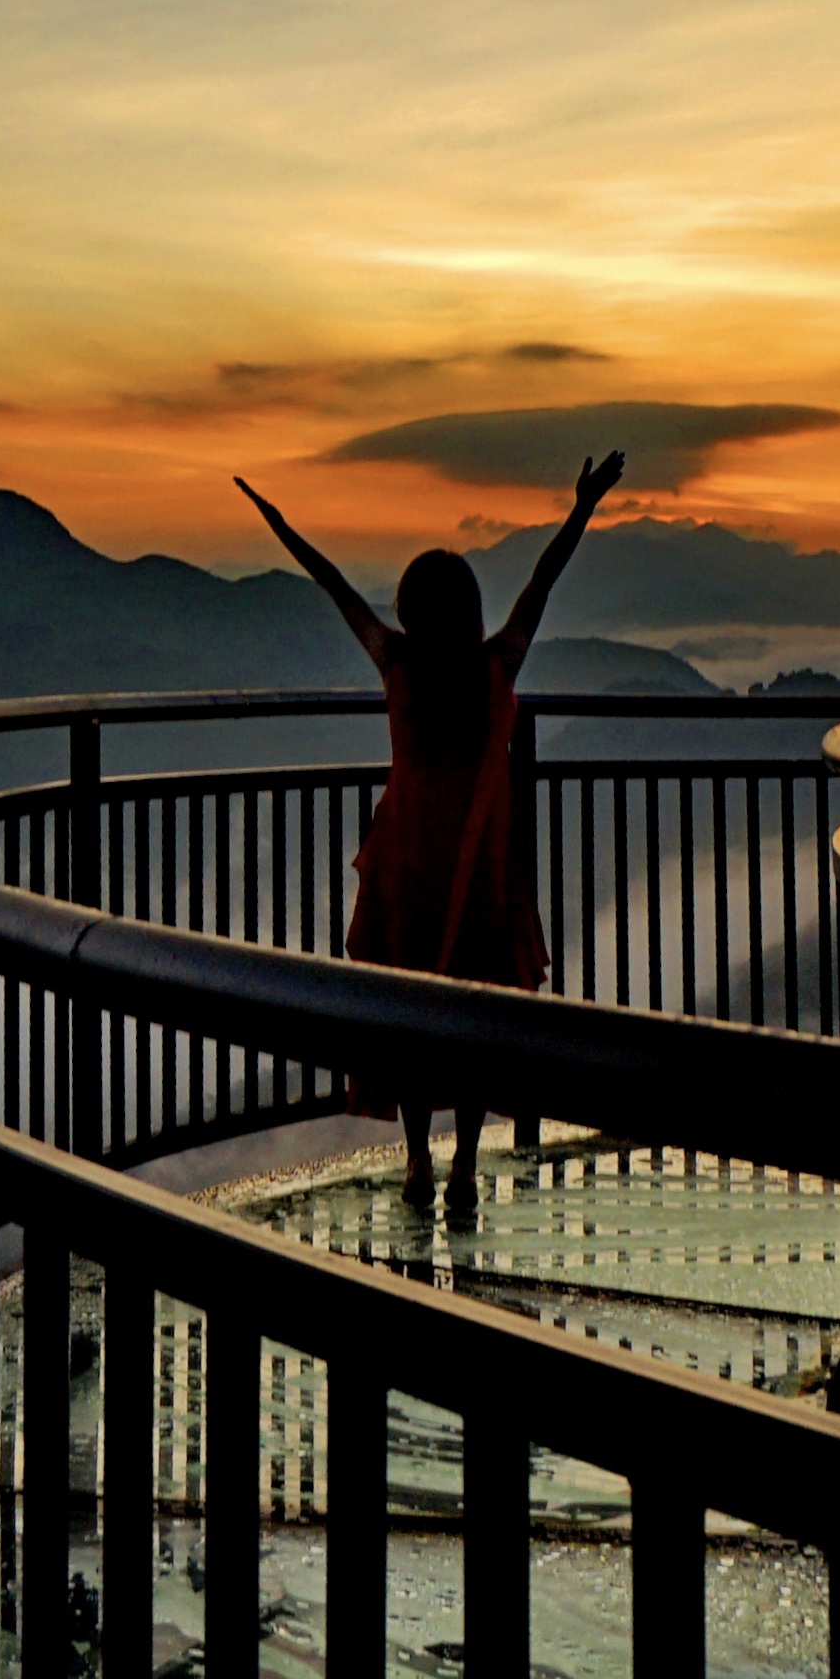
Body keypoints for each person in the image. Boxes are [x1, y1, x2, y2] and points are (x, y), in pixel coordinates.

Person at [234, 450, 625, 1222]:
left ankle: (417, 1157)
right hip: (476, 869)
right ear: (471, 607)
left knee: (409, 1013)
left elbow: (335, 587)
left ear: (414, 606)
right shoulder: (495, 667)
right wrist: (582, 507)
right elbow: (541, 583)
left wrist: (280, 523)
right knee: (472, 1016)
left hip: (406, 865)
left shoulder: (396, 663)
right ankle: (467, 1167)